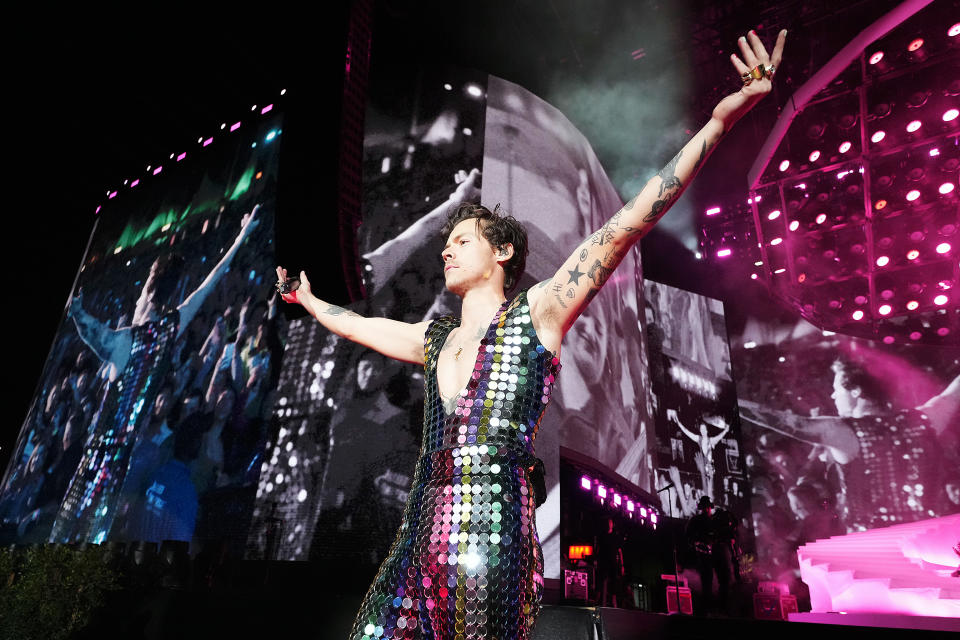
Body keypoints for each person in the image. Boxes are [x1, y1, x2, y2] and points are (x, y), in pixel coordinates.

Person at [278, 31, 786, 639]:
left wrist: (720, 122)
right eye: (447, 242)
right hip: (419, 536)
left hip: (494, 538)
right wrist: (308, 298)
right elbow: (359, 323)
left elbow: (629, 222)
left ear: (502, 253)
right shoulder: (435, 339)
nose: (446, 249)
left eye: (461, 240)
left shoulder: (538, 313)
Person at [49, 205, 261, 544]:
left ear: (148, 290)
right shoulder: (169, 329)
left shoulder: (123, 342)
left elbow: (89, 330)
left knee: (67, 534)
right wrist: (243, 235)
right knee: (93, 537)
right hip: (122, 462)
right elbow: (210, 282)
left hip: (96, 461)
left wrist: (75, 309)